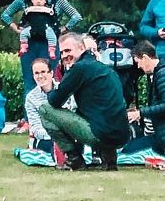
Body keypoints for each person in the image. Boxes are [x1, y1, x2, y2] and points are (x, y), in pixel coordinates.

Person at [42, 31, 132, 170]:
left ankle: (74, 159)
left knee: (45, 109)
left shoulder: (79, 68)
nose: (65, 55)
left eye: (68, 50)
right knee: (88, 113)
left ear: (82, 48)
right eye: (62, 52)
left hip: (100, 135)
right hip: (122, 135)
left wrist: (49, 89)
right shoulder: (105, 69)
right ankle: (109, 160)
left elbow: (55, 101)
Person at [0, 0, 83, 93]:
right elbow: (5, 15)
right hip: (29, 45)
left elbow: (76, 16)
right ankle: (30, 112)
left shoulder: (57, 0)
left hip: (49, 45)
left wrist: (63, 29)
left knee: (50, 80)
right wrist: (16, 28)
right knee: (30, 81)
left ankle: (50, 111)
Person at [24, 60, 55, 148]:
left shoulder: (64, 90)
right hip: (45, 139)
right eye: (36, 73)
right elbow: (36, 128)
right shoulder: (31, 98)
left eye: (43, 72)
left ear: (51, 73)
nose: (40, 76)